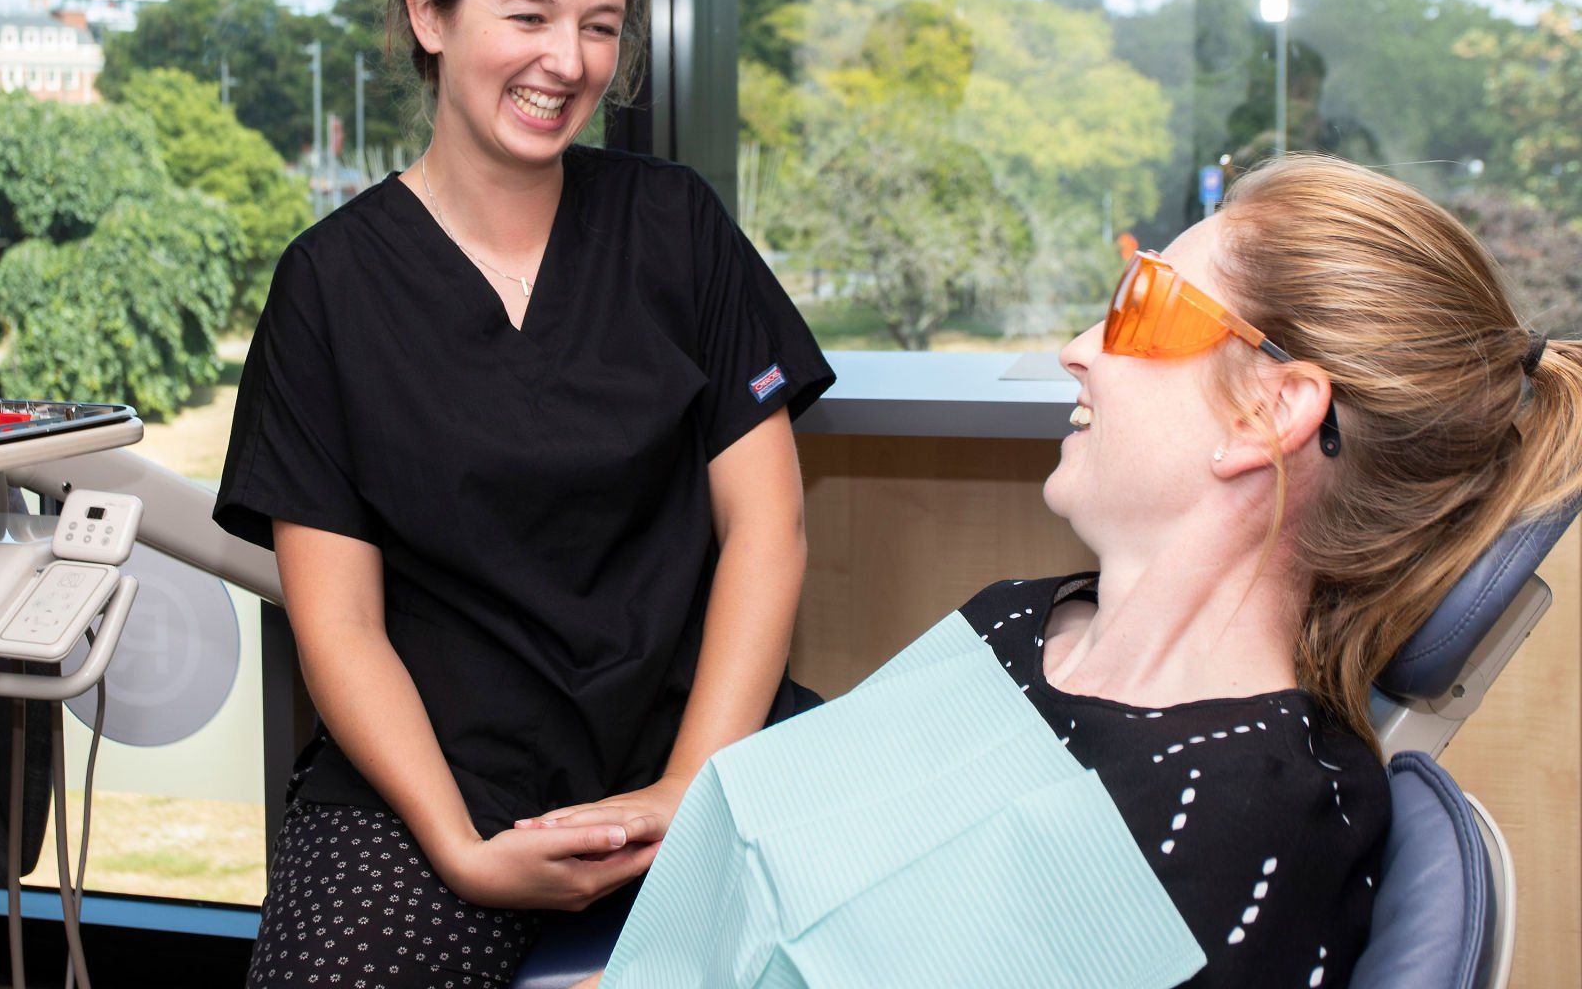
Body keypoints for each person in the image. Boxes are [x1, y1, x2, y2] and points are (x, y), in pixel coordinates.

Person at [571, 155, 1581, 988]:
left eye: (1143, 305)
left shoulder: (1238, 835)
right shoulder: (1013, 624)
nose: (1076, 349)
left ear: (1268, 414)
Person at [214, 0, 834, 988]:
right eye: (531, 16)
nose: (569, 61)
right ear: (430, 12)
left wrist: (693, 786)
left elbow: (767, 529)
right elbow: (340, 626)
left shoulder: (676, 227)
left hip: (701, 742)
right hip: (437, 784)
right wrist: (459, 845)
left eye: (600, 27)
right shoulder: (330, 287)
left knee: (937, 920)